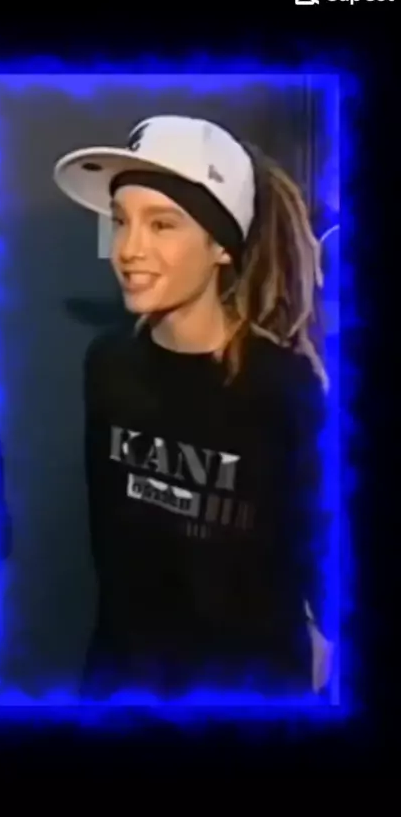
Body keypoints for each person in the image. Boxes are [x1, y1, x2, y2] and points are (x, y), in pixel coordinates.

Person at [53, 114, 333, 700]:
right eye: (121, 220)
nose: (128, 249)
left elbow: (315, 560)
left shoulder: (284, 386)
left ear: (221, 247)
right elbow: (117, 557)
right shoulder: (107, 366)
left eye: (162, 224)